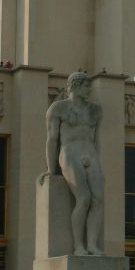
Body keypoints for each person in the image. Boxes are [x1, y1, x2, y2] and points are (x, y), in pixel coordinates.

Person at [39, 71, 104, 255]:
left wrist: (97, 162)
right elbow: (51, 139)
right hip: (69, 152)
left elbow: (97, 140)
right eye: (86, 86)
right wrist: (51, 168)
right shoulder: (58, 108)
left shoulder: (95, 110)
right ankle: (78, 246)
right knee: (84, 198)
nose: (89, 90)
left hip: (89, 153)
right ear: (74, 86)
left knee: (98, 199)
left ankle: (92, 244)